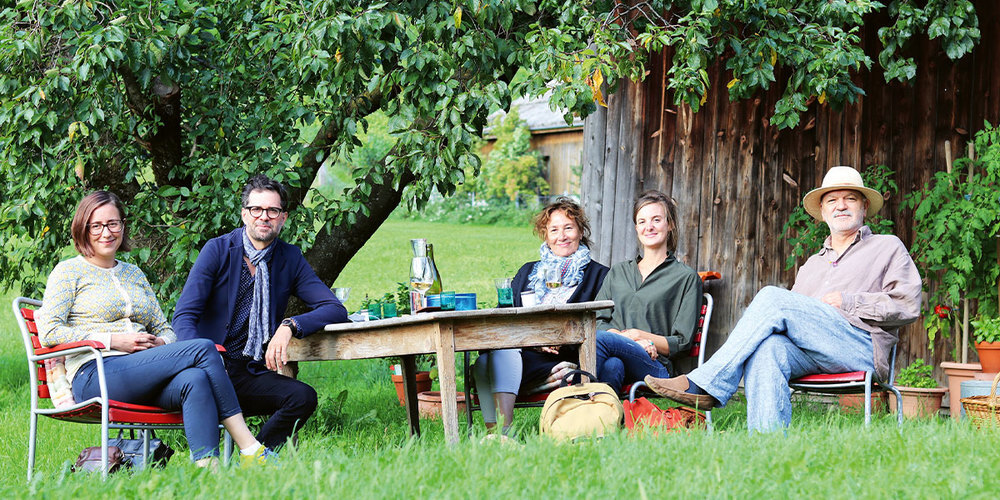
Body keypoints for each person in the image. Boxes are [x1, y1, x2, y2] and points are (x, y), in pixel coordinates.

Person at [644, 166, 922, 432]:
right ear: (823, 212)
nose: (841, 205)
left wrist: (849, 302)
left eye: (850, 199)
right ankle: (768, 445)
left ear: (864, 208)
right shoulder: (812, 265)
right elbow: (791, 317)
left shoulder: (887, 247)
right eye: (832, 200)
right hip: (816, 350)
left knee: (772, 298)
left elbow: (907, 304)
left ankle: (706, 383)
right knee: (769, 347)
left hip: (859, 347)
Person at [37, 191, 275, 468]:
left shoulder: (133, 274)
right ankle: (250, 448)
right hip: (96, 374)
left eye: (113, 223)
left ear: (123, 227)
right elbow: (50, 331)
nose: (107, 232)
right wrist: (112, 340)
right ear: (83, 229)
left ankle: (208, 471)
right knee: (203, 347)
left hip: (143, 371)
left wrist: (161, 345)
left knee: (195, 379)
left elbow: (165, 328)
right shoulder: (68, 272)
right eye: (97, 225)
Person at [173, 174, 347, 449]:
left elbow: (334, 309)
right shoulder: (218, 250)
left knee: (302, 397)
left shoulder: (289, 258)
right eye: (256, 209)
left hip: (247, 371)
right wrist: (201, 358)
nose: (264, 217)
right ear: (245, 214)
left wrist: (289, 326)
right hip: (207, 369)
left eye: (272, 210)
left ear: (283, 218)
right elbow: (184, 316)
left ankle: (257, 459)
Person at [472, 198, 609, 435]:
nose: (561, 236)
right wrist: (533, 339)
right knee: (485, 361)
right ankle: (497, 436)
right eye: (554, 230)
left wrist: (554, 339)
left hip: (561, 353)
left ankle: (501, 435)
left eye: (568, 227)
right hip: (520, 351)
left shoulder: (599, 275)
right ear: (545, 235)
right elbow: (503, 315)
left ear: (580, 232)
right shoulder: (528, 271)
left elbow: (600, 326)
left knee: (489, 363)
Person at [593, 190, 704, 390]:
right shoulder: (618, 272)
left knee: (599, 341)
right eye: (642, 221)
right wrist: (627, 339)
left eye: (656, 220)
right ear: (636, 228)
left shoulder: (686, 278)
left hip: (655, 365)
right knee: (612, 366)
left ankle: (572, 401)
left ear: (669, 225)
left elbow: (682, 342)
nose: (649, 227)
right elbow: (597, 320)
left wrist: (638, 336)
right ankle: (604, 417)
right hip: (614, 355)